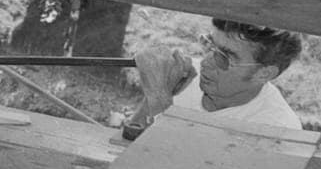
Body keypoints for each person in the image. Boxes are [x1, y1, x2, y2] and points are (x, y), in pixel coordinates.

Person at [123, 18, 303, 139]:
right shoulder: (185, 76)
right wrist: (157, 89)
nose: (205, 62)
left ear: (264, 73)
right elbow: (129, 141)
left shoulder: (277, 130)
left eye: (224, 57)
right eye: (209, 45)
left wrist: (159, 97)